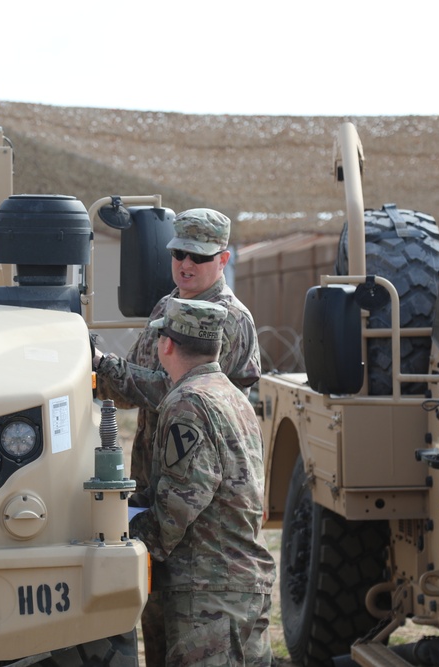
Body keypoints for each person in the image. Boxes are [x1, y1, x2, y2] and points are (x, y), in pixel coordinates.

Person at [93, 208, 261, 666]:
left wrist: (103, 367)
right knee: (164, 630)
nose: (185, 264)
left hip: (201, 522)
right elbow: (138, 383)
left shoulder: (224, 320)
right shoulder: (168, 307)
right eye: (179, 253)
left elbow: (178, 387)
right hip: (162, 489)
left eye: (198, 257)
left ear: (223, 259)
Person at [129, 298, 275, 666]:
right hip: (242, 586)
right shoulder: (232, 397)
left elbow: (177, 507)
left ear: (166, 345)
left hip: (209, 596)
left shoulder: (189, 403)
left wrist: (123, 536)